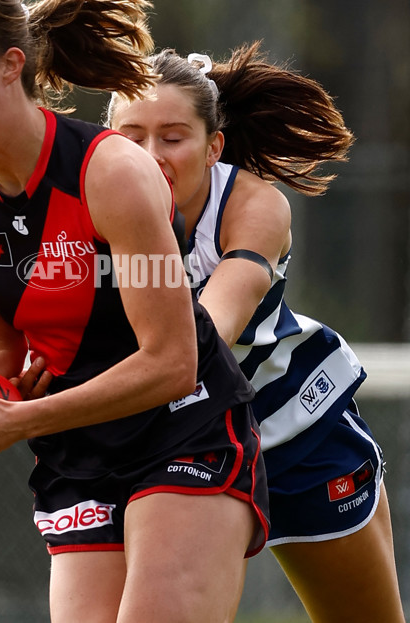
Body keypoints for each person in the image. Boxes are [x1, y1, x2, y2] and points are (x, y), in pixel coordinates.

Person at [0, 0, 270, 623]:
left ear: (11, 64)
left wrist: (14, 421)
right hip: (77, 448)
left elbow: (172, 361)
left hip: (186, 426)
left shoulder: (111, 174)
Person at [106, 43, 406, 623]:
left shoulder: (251, 204)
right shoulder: (86, 206)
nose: (150, 154)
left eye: (172, 136)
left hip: (293, 430)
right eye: (132, 135)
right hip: (174, 440)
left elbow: (203, 339)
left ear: (213, 145)